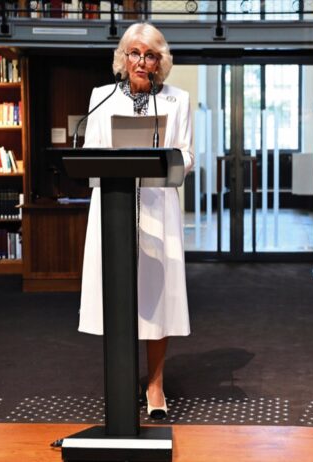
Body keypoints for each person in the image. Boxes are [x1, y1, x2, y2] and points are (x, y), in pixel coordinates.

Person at [78, 22, 193, 418]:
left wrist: (170, 160)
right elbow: (90, 153)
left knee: (155, 300)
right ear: (122, 57)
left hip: (159, 208)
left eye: (150, 55)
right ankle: (123, 378)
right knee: (118, 295)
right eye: (134, 53)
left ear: (161, 62)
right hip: (114, 209)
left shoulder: (179, 100)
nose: (141, 61)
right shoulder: (101, 97)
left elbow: (188, 154)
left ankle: (156, 385)